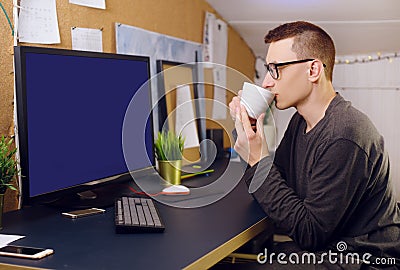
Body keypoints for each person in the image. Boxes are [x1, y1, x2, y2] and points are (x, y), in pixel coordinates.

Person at [228, 21, 400, 269]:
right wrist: (250, 132)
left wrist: (257, 159)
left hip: (364, 258)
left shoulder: (345, 134)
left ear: (313, 70)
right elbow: (278, 185)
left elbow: (310, 234)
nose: (266, 82)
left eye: (275, 69)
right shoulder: (301, 121)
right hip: (330, 245)